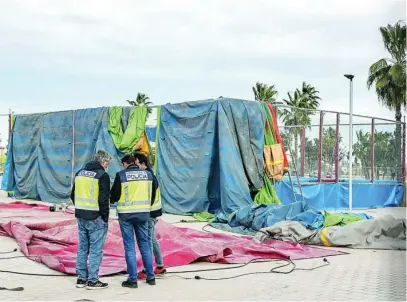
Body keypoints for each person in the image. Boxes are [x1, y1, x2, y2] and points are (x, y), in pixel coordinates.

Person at [111, 154, 157, 288]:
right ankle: (151, 277)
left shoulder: (121, 175)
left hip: (126, 216)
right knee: (144, 245)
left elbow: (113, 196)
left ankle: (133, 279)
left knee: (129, 247)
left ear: (125, 163)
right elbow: (152, 195)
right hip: (143, 214)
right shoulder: (148, 175)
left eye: (123, 164)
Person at [70, 149, 111, 290]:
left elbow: (72, 195)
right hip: (95, 217)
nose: (107, 166)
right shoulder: (102, 176)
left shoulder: (79, 173)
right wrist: (105, 217)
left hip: (81, 215)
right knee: (95, 249)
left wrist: (81, 208)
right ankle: (93, 280)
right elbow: (104, 200)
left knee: (82, 247)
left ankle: (81, 278)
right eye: (107, 163)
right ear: (104, 161)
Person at [133, 153, 166, 279]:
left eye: (136, 163)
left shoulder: (148, 177)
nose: (135, 166)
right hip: (154, 211)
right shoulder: (149, 175)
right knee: (151, 238)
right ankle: (160, 265)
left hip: (150, 212)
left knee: (148, 240)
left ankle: (148, 269)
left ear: (143, 164)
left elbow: (149, 197)